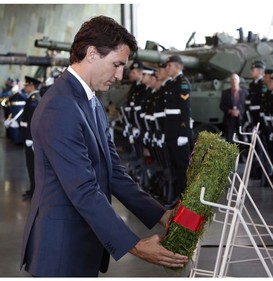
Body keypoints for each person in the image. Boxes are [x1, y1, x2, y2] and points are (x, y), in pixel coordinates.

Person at [20, 16, 188, 277]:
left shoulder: (91, 101)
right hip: (61, 249)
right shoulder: (60, 106)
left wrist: (162, 215)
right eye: (116, 64)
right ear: (92, 54)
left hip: (83, 243)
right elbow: (83, 189)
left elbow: (114, 172)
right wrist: (134, 244)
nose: (120, 75)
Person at [164, 55, 192, 208]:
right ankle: (178, 198)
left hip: (178, 133)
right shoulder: (172, 83)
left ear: (177, 67)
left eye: (169, 66)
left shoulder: (182, 84)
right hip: (171, 131)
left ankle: (185, 200)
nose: (167, 69)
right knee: (175, 167)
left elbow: (185, 111)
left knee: (182, 168)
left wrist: (183, 133)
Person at [19, 76, 42, 200]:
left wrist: (30, 137)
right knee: (31, 166)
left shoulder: (34, 99)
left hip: (31, 140)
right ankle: (32, 189)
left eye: (26, 85)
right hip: (29, 139)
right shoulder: (32, 98)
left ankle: (35, 192)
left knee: (33, 166)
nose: (25, 87)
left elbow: (33, 121)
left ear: (32, 85)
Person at [220, 73, 248, 143]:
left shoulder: (245, 92)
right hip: (229, 119)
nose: (233, 81)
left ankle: (243, 153)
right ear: (230, 81)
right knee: (228, 139)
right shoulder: (225, 93)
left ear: (238, 81)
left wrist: (239, 111)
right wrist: (229, 111)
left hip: (241, 119)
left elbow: (246, 106)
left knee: (242, 139)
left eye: (235, 79)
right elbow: (222, 105)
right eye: (232, 79)